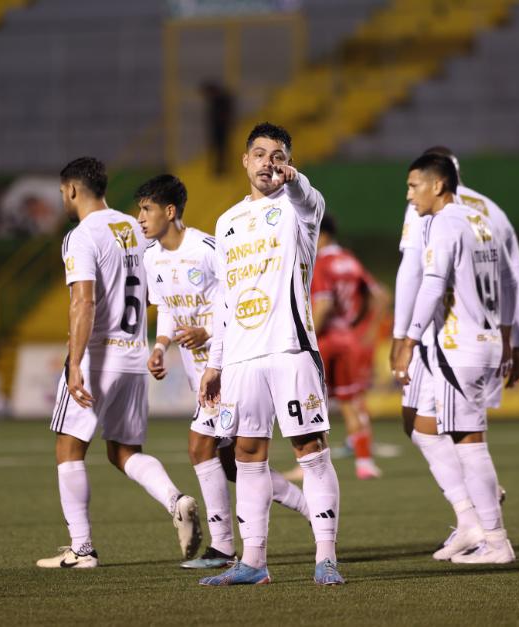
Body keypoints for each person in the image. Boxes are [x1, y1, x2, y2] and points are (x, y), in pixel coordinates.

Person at [197, 122, 345, 586]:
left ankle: (326, 558)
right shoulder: (226, 222)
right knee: (247, 454)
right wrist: (214, 364)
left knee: (310, 452)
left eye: (277, 155)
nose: (267, 162)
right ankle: (254, 562)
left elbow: (305, 195)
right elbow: (223, 299)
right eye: (259, 154)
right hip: (241, 358)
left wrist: (294, 178)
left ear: (287, 162)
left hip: (290, 348)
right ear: (244, 160)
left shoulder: (302, 207)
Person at [136, 173, 310, 569]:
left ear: (169, 211)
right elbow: (165, 306)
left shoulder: (206, 248)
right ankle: (310, 505)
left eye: (146, 209)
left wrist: (208, 331)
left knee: (200, 447)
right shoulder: (151, 257)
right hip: (202, 370)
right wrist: (161, 345)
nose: (141, 218)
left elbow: (236, 298)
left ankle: (222, 547)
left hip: (230, 362)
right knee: (234, 464)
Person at [36, 157, 202, 569]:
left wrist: (75, 364)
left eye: (62, 193)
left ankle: (82, 549)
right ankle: (174, 500)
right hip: (133, 357)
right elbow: (153, 291)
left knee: (68, 448)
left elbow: (83, 301)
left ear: (73, 190)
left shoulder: (80, 236)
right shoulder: (136, 228)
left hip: (97, 358)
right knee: (123, 451)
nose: (63, 199)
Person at [391, 146, 519, 560]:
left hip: (455, 345)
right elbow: (509, 279)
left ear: (438, 183)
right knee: (425, 427)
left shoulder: (443, 223)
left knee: (469, 443)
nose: (409, 196)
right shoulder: (481, 218)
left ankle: (495, 539)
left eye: (414, 186)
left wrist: (407, 340)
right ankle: (471, 521)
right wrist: (507, 336)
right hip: (480, 341)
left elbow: (429, 283)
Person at [309, 213, 385, 479]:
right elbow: (380, 295)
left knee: (312, 406)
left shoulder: (321, 262)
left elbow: (324, 304)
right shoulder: (350, 260)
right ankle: (365, 463)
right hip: (348, 338)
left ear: (322, 234)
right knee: (353, 404)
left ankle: (311, 469)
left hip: (325, 339)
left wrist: (308, 336)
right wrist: (367, 330)